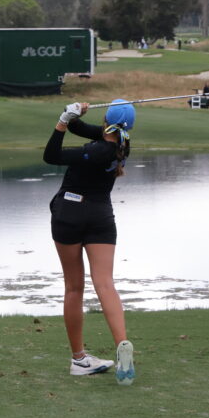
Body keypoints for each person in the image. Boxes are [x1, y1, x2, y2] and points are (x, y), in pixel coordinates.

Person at [43, 100, 136, 385]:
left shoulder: (95, 151)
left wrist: (61, 122)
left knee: (74, 287)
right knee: (105, 283)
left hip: (70, 214)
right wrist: (74, 116)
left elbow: (51, 155)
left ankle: (79, 359)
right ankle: (122, 344)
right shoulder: (122, 144)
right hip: (101, 218)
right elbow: (85, 128)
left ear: (107, 117)